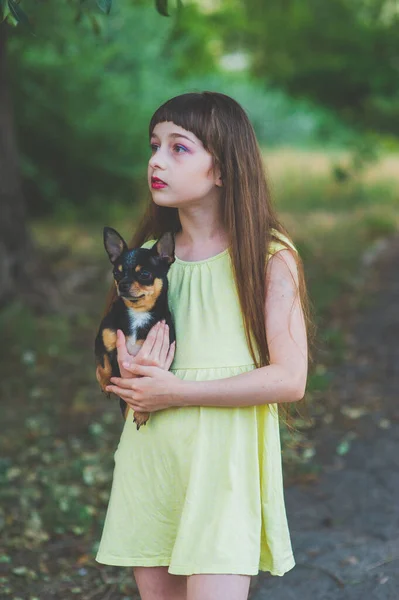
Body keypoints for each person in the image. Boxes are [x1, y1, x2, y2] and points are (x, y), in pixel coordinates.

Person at [95, 91, 314, 600]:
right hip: (153, 461)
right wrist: (123, 373)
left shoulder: (268, 257)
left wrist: (174, 392)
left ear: (223, 169)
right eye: (154, 146)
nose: (156, 160)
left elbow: (290, 379)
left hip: (224, 467)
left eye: (179, 148)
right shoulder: (145, 259)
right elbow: (114, 366)